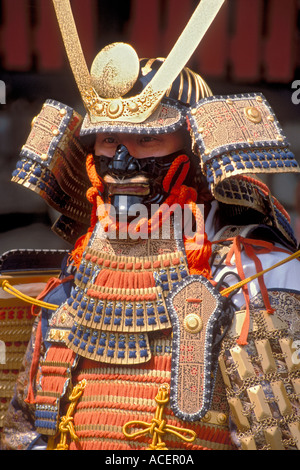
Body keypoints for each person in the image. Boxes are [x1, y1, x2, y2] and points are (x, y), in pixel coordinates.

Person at [1, 0, 300, 451]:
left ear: (197, 150)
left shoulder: (256, 274)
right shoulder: (73, 275)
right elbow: (24, 433)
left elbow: (279, 439)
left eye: (146, 138)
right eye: (109, 139)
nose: (121, 160)